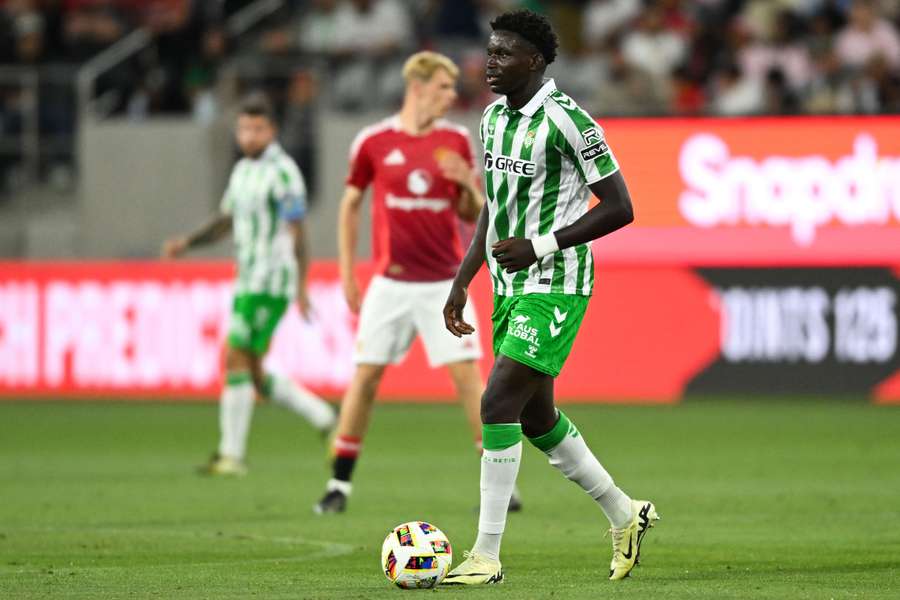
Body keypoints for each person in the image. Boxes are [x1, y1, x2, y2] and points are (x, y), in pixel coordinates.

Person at [440, 10, 658, 585]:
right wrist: (465, 279)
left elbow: (620, 206)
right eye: (489, 52)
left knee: (496, 403)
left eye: (503, 54)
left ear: (535, 61)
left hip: (557, 283)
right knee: (537, 418)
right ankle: (625, 513)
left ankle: (486, 555)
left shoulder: (569, 121)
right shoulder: (490, 120)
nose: (490, 63)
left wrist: (541, 244)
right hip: (509, 284)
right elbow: (495, 206)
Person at [314, 51, 524, 514]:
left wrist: (466, 185)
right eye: (445, 87)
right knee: (365, 378)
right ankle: (338, 486)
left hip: (444, 283)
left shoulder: (456, 140)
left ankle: (502, 488)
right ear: (419, 87)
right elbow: (350, 204)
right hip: (390, 284)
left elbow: (473, 213)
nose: (452, 96)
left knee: (470, 379)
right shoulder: (373, 141)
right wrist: (348, 272)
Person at [163, 93, 336, 476]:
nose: (250, 135)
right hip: (247, 277)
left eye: (257, 128)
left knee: (234, 354)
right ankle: (325, 418)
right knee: (253, 369)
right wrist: (188, 242)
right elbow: (225, 220)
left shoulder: (284, 172)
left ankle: (231, 455)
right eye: (244, 128)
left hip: (271, 280)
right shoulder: (242, 171)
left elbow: (298, 231)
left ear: (271, 130)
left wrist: (302, 285)